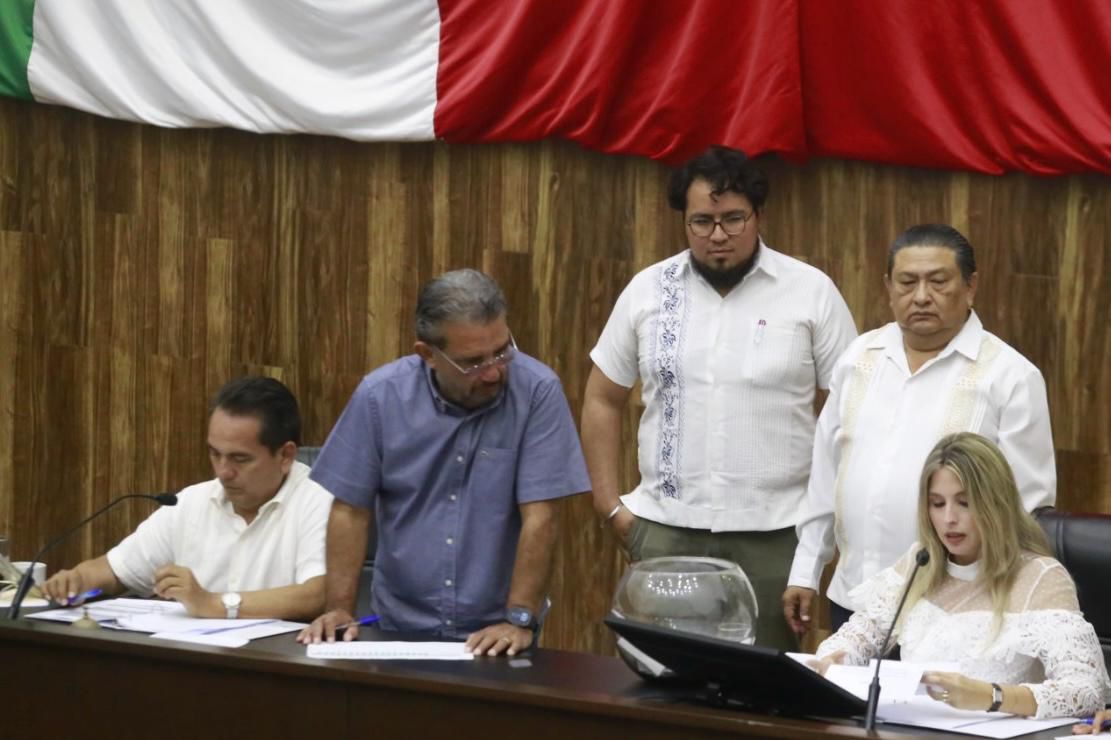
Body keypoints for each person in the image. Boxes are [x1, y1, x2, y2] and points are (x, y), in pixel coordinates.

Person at [581, 145, 857, 651]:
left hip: (776, 537)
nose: (718, 236)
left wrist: (819, 536)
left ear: (758, 215)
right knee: (661, 682)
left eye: (733, 219)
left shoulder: (810, 292)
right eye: (702, 222)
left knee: (766, 696)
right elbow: (602, 397)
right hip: (665, 532)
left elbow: (849, 412)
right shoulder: (648, 291)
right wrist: (610, 507)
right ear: (683, 222)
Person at [299, 269, 590, 656]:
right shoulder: (380, 397)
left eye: (502, 351)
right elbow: (350, 510)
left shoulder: (537, 391)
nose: (494, 372)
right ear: (428, 355)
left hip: (497, 634)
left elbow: (542, 517)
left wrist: (520, 618)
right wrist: (338, 608)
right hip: (397, 627)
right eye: (473, 362)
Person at [785, 224, 1056, 634]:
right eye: (908, 282)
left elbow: (1026, 507)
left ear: (970, 287)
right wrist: (806, 570)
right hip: (854, 600)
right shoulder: (859, 358)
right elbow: (827, 473)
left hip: (954, 612)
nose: (922, 296)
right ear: (888, 288)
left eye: (939, 281)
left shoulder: (1010, 376)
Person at [814, 433, 1109, 719]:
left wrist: (989, 696)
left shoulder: (1040, 578)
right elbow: (855, 639)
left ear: (996, 504)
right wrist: (832, 660)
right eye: (937, 504)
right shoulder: (920, 563)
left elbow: (1085, 690)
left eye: (964, 503)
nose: (949, 519)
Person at [42, 377, 333, 620]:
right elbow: (115, 570)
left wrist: (212, 603)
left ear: (285, 455)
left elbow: (318, 594)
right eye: (214, 454)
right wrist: (78, 580)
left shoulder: (320, 499)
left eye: (240, 459)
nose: (223, 472)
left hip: (277, 672)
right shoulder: (192, 502)